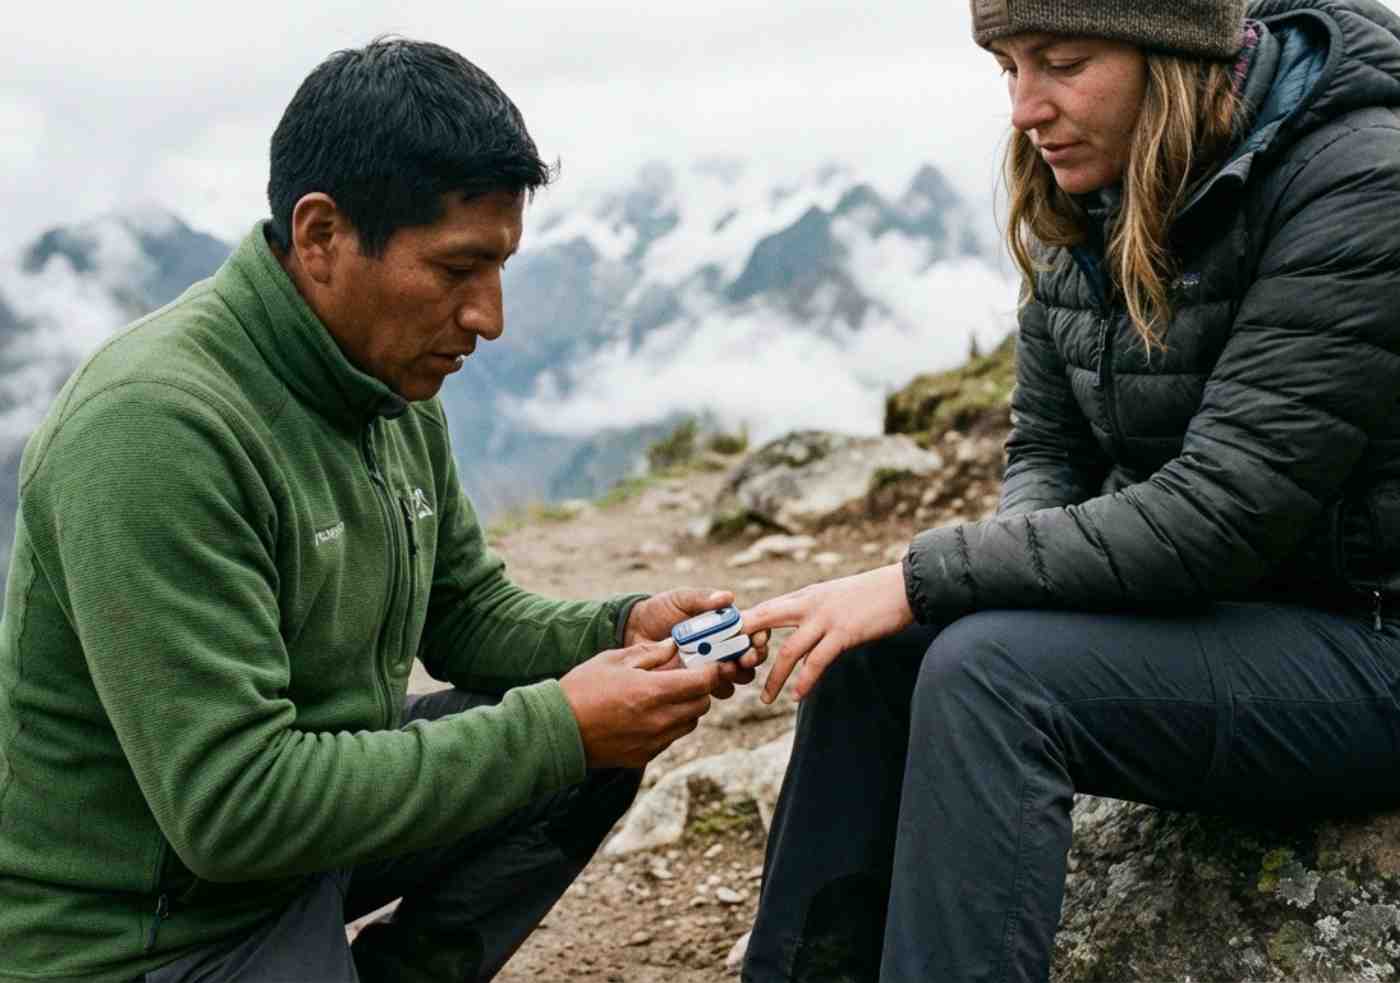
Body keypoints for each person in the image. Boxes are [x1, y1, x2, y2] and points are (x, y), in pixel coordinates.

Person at [0, 39, 766, 983]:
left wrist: (620, 628)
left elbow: (466, 612)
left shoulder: (385, 380)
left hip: (297, 855)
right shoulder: (154, 430)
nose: (489, 316)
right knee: (560, 734)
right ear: (321, 237)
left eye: (501, 268)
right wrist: (559, 722)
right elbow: (232, 809)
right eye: (456, 270)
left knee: (592, 741)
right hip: (145, 933)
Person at [738, 0, 1400, 979]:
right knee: (871, 656)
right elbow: (1048, 442)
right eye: (1006, 66)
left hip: (1367, 642)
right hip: (1220, 614)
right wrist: (989, 577)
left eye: (1059, 62)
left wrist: (927, 577)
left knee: (991, 674)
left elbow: (1217, 514)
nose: (1022, 107)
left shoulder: (1357, 182)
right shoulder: (1081, 185)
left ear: (1170, 53)